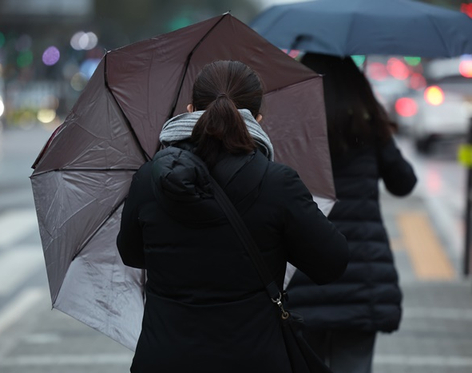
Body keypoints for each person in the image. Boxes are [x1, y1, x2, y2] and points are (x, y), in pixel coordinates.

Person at [116, 60, 349, 373]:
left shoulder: (150, 178)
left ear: (190, 110)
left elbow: (131, 253)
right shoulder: (278, 183)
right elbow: (331, 263)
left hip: (165, 358)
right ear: (258, 119)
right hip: (254, 359)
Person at [286, 53, 418, 373]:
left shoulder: (293, 127)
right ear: (356, 84)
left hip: (305, 274)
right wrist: (379, 130)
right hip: (363, 274)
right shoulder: (368, 124)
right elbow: (403, 182)